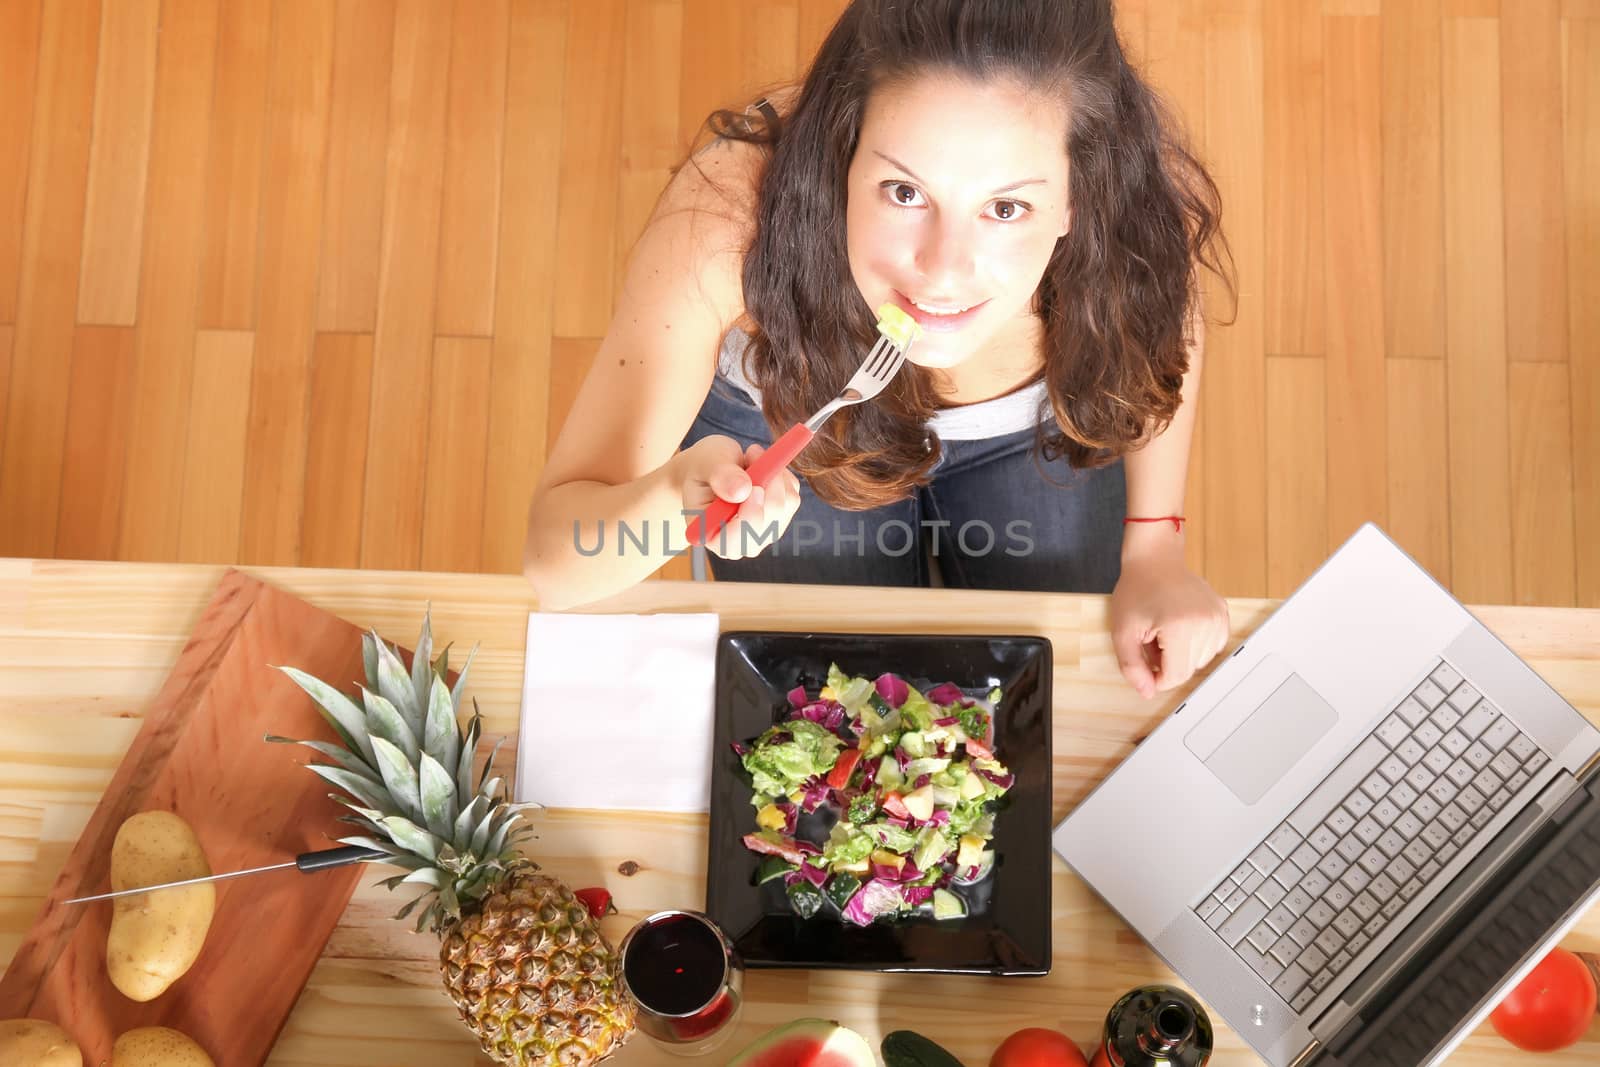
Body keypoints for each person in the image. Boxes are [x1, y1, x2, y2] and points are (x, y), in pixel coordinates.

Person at [524, 0, 1235, 699]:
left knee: (1053, 673)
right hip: (782, 421)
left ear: (1083, 196)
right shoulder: (724, 221)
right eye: (903, 191)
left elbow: (1153, 325)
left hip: (1030, 433)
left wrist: (1155, 546)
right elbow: (557, 559)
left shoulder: (1141, 201)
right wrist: (675, 503)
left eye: (1006, 208)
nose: (941, 272)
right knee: (825, 690)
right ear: (841, 159)